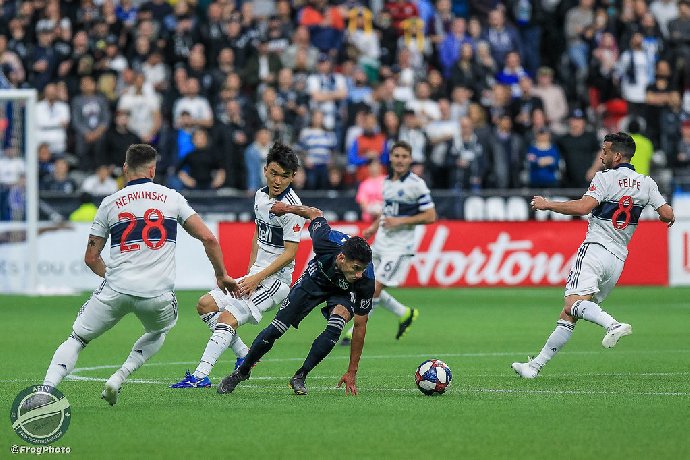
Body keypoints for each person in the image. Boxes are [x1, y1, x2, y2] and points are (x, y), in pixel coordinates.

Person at [40, 144, 238, 405]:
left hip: (116, 288)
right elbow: (209, 238)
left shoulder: (109, 203)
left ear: (124, 169)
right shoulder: (171, 197)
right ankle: (119, 377)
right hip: (157, 294)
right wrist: (221, 275)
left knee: (77, 338)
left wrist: (115, 278)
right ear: (153, 170)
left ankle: (45, 390)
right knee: (158, 333)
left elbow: (91, 258)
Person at [512, 132, 675, 379]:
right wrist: (666, 216)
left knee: (572, 304)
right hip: (618, 260)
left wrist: (548, 204)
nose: (602, 155)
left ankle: (613, 324)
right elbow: (667, 213)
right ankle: (534, 367)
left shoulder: (605, 178)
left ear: (617, 155)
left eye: (606, 151)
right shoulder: (646, 182)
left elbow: (583, 207)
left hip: (595, 249)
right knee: (571, 312)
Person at [171, 142, 305, 388]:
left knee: (226, 318)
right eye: (274, 173)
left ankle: (200, 376)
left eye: (284, 176)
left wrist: (257, 278)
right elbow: (258, 232)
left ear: (292, 177)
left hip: (276, 282)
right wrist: (251, 271)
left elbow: (290, 254)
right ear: (265, 170)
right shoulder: (260, 196)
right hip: (257, 274)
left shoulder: (292, 209)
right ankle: (244, 355)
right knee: (204, 305)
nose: (278, 180)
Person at [217, 204, 374, 396]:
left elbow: (360, 325)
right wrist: (287, 208)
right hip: (315, 279)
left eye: (363, 269)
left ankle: (301, 375)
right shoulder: (324, 239)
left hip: (343, 291)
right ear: (341, 258)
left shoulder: (365, 280)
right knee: (277, 328)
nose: (359, 274)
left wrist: (352, 371)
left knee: (338, 322)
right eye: (356, 268)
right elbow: (315, 213)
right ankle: (242, 372)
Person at [342, 140, 436, 345]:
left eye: (404, 156)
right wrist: (374, 227)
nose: (400, 160)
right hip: (381, 242)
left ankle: (353, 331)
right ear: (391, 158)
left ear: (410, 159)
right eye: (397, 156)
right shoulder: (387, 182)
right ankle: (404, 312)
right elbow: (388, 211)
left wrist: (401, 221)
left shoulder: (416, 184)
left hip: (399, 247)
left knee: (374, 288)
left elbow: (430, 215)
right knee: (362, 282)